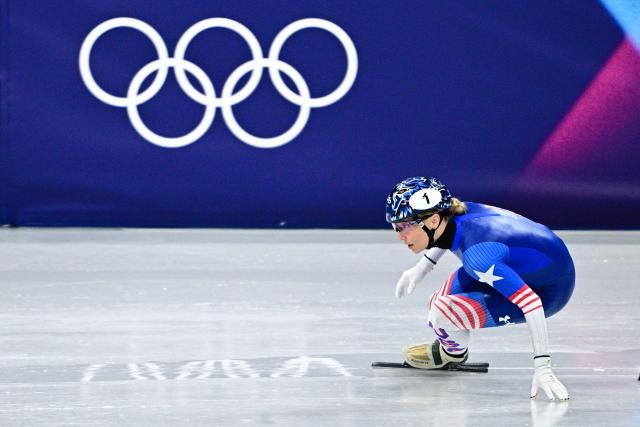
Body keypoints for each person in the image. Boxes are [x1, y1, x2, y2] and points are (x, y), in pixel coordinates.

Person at [386, 176, 575, 400]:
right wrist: (421, 269)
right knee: (438, 302)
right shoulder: (457, 213)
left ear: (434, 221)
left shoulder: (478, 258)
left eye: (402, 226)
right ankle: (452, 347)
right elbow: (444, 239)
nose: (399, 236)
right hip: (529, 264)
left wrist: (543, 367)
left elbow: (531, 303)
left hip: (549, 292)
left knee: (441, 313)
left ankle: (451, 354)